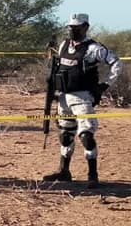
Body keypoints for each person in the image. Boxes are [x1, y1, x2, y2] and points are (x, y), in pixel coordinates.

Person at [43, 12, 122, 187]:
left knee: (86, 135)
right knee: (65, 135)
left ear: (85, 27)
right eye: (71, 27)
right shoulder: (64, 45)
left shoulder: (94, 49)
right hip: (63, 97)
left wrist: (105, 85)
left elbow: (116, 63)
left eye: (76, 27)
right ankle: (64, 171)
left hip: (83, 98)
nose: (73, 30)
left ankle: (92, 175)